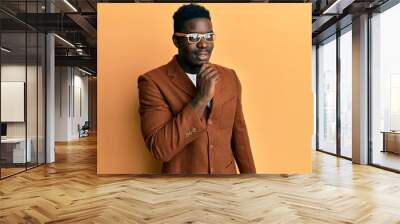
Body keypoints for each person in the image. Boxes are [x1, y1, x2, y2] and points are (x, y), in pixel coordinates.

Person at [138, 4, 256, 174]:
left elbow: (240, 135)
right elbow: (160, 149)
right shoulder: (153, 82)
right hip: (182, 188)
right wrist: (201, 98)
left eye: (209, 36)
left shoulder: (230, 76)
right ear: (176, 40)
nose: (203, 44)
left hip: (226, 183)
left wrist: (251, 180)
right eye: (193, 37)